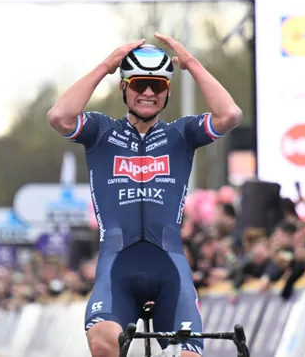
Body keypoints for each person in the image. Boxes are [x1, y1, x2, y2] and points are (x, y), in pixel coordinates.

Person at [47, 33, 243, 357]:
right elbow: (59, 117)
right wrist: (107, 65)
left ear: (167, 92)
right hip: (116, 268)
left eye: (159, 86)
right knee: (103, 345)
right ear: (124, 88)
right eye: (139, 84)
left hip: (170, 268)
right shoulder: (101, 132)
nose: (149, 93)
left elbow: (229, 115)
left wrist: (191, 64)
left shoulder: (181, 134)